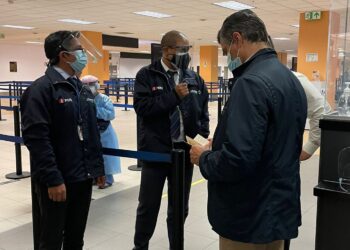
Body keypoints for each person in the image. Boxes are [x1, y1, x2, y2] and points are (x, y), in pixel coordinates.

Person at [190, 10, 307, 250]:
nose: (228, 56)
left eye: (225, 50)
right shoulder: (289, 78)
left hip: (248, 216)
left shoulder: (250, 83)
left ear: (237, 39)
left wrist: (204, 158)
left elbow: (238, 160)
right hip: (278, 209)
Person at [21, 30, 105, 250]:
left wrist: (97, 169)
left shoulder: (81, 89)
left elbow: (91, 131)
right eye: (79, 49)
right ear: (64, 55)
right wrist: (53, 179)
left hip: (82, 177)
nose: (84, 54)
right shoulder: (41, 90)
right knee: (51, 239)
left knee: (76, 238)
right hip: (58, 181)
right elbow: (37, 139)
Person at [133, 30, 210, 250]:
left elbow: (203, 112)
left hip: (185, 153)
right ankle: (140, 246)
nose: (186, 54)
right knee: (148, 205)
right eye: (182, 49)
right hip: (156, 152)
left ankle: (176, 245)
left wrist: (200, 139)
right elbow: (142, 108)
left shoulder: (194, 78)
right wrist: (173, 96)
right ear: (166, 49)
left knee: (179, 207)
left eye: (188, 49)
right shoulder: (147, 75)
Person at [81, 75, 121, 188]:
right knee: (92, 154)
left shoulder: (104, 99)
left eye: (92, 84)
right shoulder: (83, 99)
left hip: (105, 132)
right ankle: (94, 177)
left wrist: (94, 109)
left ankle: (108, 179)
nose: (90, 87)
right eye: (86, 85)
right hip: (90, 131)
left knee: (107, 157)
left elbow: (110, 114)